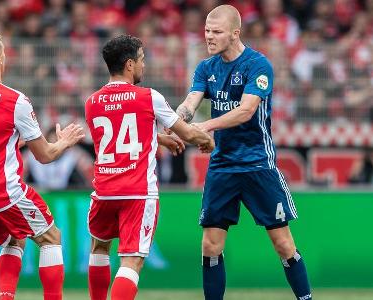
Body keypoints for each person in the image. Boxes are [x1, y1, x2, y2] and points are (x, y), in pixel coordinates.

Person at [174, 5, 312, 300]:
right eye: (207, 30)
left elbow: (246, 111)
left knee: (283, 244)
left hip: (258, 163)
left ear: (235, 33)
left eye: (216, 32)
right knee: (210, 245)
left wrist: (204, 127)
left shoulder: (258, 65)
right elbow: (191, 101)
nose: (209, 36)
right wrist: (175, 121)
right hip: (222, 166)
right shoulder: (206, 68)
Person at [0, 31, 85, 300]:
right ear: (0, 58)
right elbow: (45, 155)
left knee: (15, 238)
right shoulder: (14, 100)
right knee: (50, 237)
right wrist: (65, 142)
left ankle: (6, 296)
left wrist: (11, 143)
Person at [84, 34, 214, 300]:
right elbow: (187, 134)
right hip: (137, 192)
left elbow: (118, 135)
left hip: (104, 191)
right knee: (131, 262)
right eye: (142, 60)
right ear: (129, 65)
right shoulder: (148, 97)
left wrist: (156, 138)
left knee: (99, 248)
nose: (144, 65)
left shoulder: (92, 102)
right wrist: (206, 138)